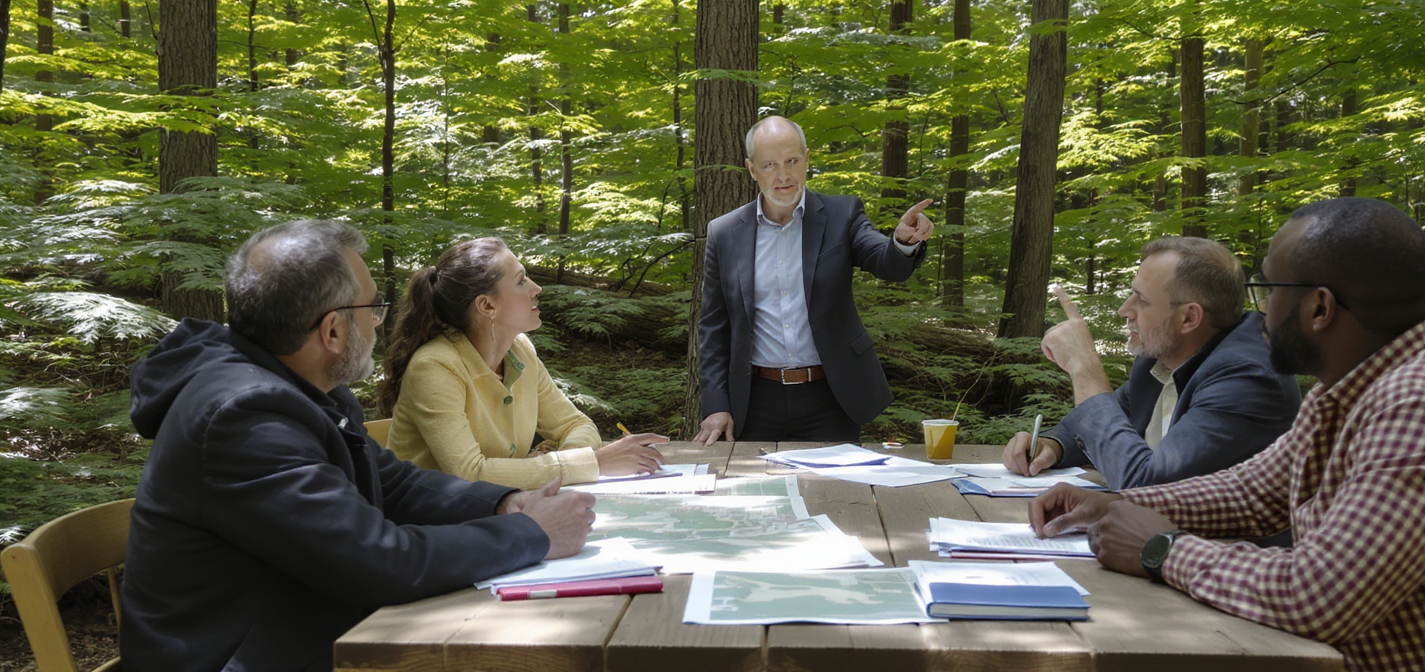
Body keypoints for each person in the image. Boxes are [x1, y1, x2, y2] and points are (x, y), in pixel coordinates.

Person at [1030, 198, 1425, 669]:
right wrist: (1112, 504)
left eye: (1267, 290)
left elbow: (1320, 595)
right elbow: (1249, 492)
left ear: (1319, 306)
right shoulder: (1357, 390)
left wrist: (1161, 548)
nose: (1256, 313)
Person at [119, 221, 598, 672]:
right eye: (373, 309)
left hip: (298, 633)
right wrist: (532, 534)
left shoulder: (300, 386)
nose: (379, 323)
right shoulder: (245, 418)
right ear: (332, 330)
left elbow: (390, 481)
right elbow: (378, 561)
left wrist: (506, 503)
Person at [693, 115, 935, 443]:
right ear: (752, 169)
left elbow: (884, 262)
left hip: (831, 397)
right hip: (753, 401)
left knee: (836, 495)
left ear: (807, 160)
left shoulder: (842, 215)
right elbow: (713, 328)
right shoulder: (723, 233)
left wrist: (903, 242)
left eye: (792, 161)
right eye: (769, 165)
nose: (783, 176)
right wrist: (716, 405)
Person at [1002, 237, 1301, 490]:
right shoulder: (1160, 359)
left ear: (1189, 318)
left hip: (1228, 554)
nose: (1124, 310)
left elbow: (1148, 488)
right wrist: (1053, 446)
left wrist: (1084, 368)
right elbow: (1109, 421)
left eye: (1141, 300)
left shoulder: (1246, 379)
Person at [377, 237, 667, 489]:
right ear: (487, 306)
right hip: (427, 530)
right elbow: (469, 474)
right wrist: (591, 463)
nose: (536, 288)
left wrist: (556, 463)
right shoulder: (435, 366)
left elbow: (576, 425)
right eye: (521, 280)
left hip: (495, 513)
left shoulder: (520, 351)